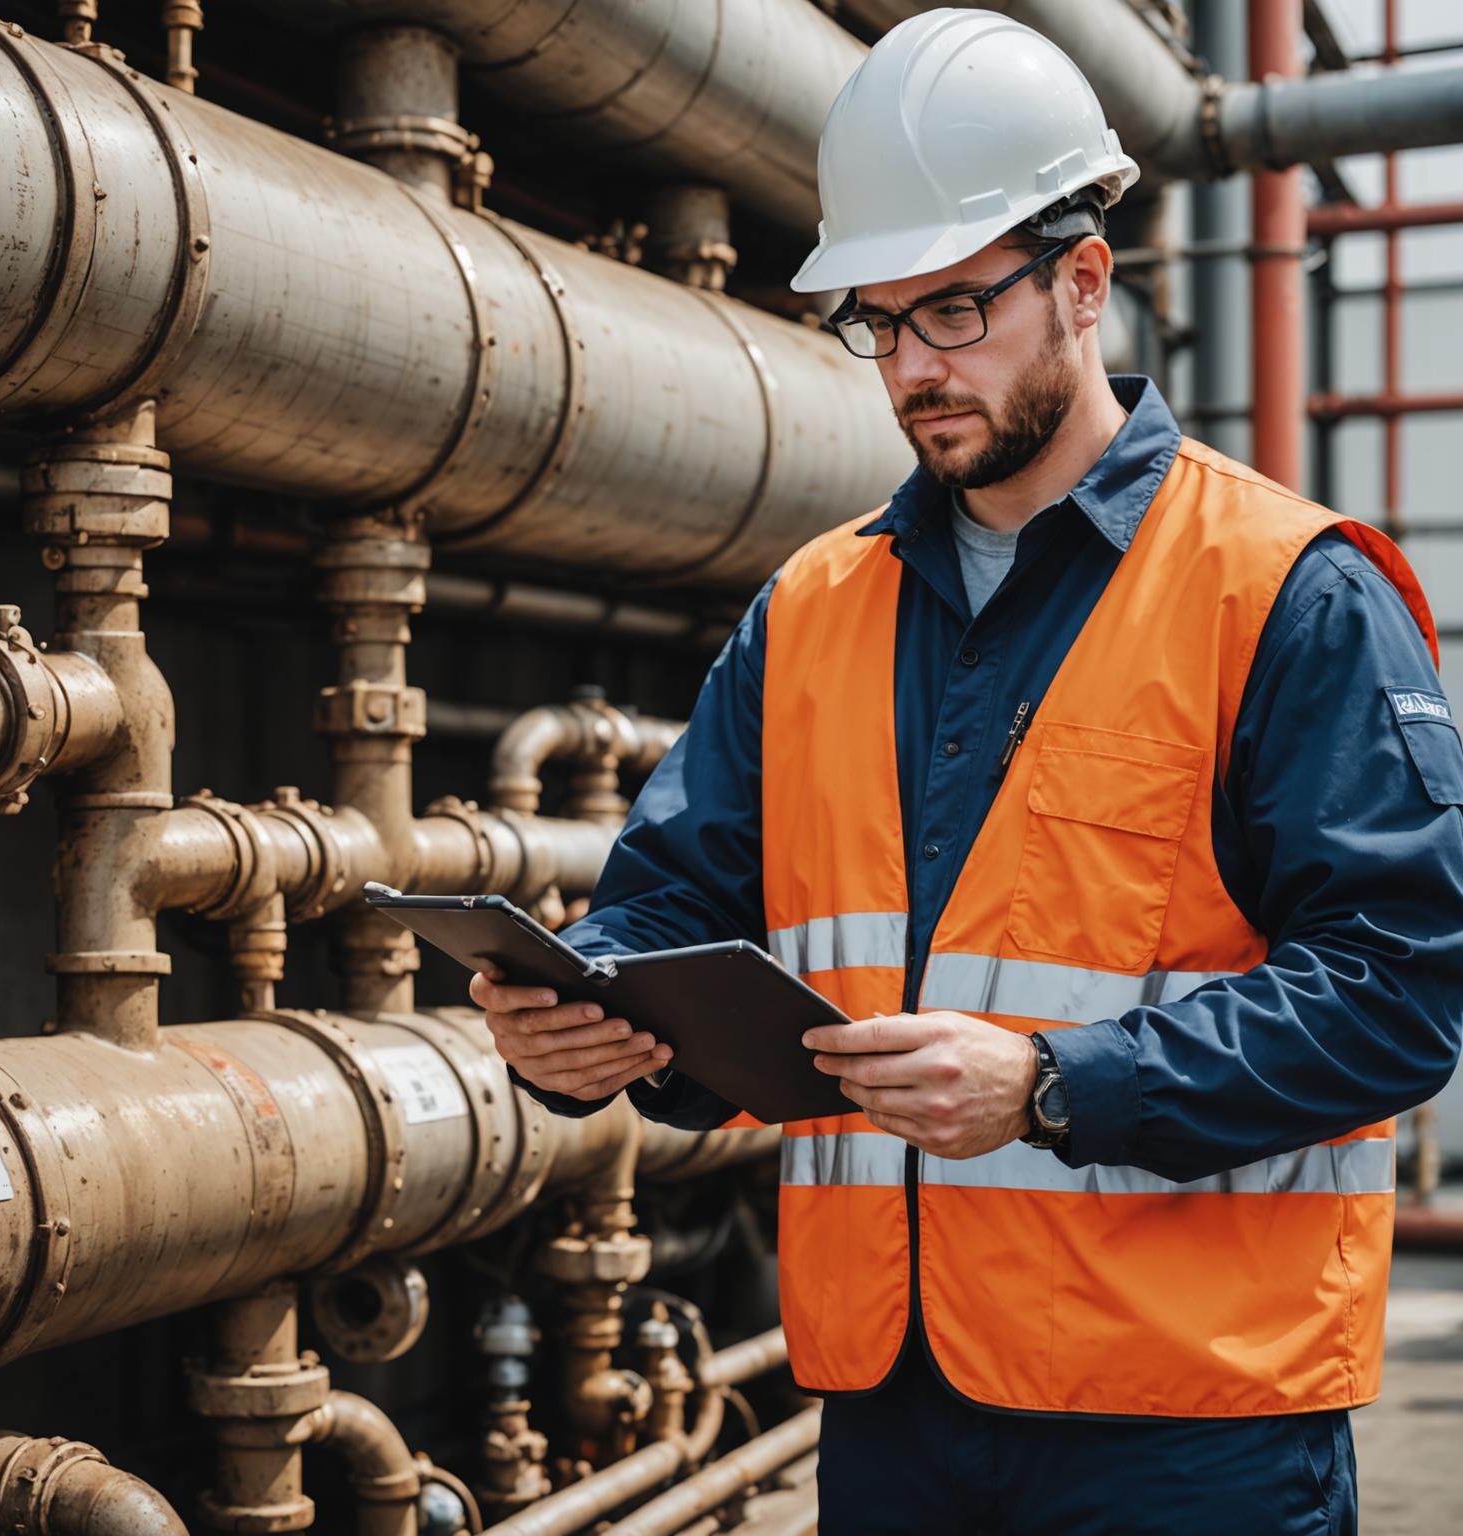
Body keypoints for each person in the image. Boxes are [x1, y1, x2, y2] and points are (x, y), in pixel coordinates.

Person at [471, 11, 1463, 1533]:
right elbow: (675, 909)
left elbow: (1403, 989)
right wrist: (600, 1020)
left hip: (1187, 1428)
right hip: (893, 1412)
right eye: (878, 323)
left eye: (953, 312)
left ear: (1083, 282)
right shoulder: (812, 610)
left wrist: (1059, 1082)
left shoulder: (1287, 592)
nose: (914, 368)